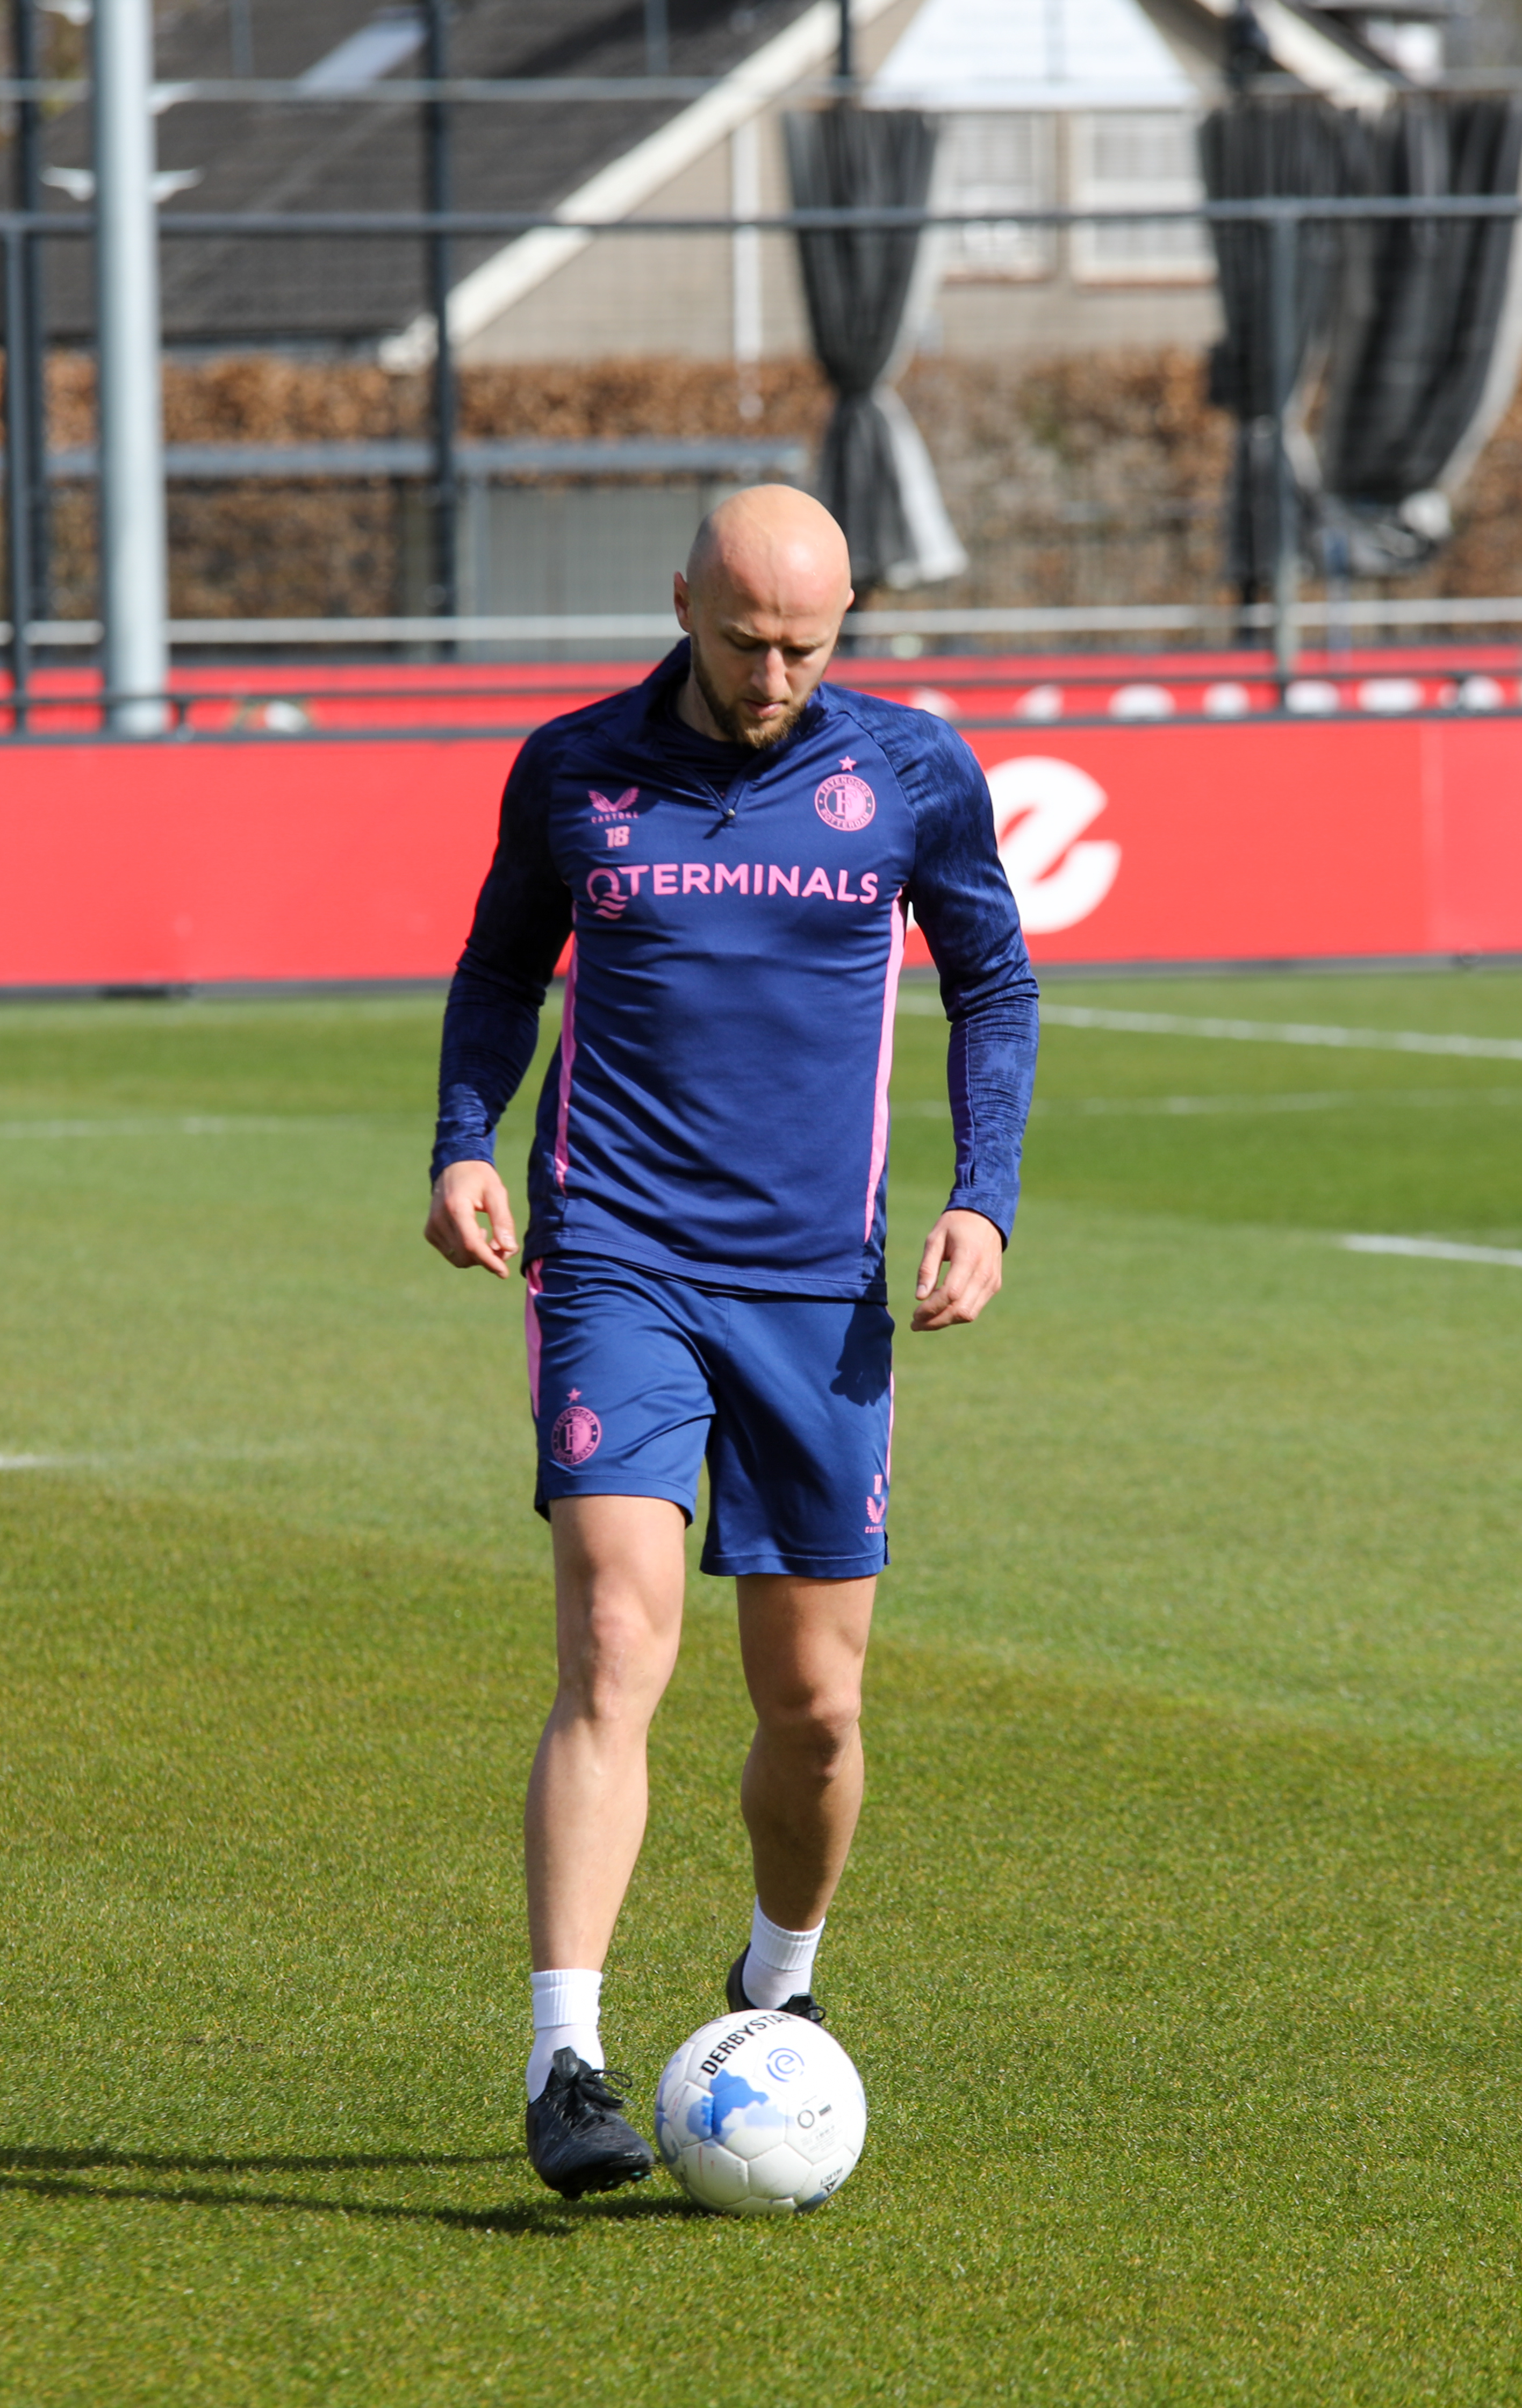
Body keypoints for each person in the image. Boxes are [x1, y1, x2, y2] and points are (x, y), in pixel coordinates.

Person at [426, 485, 1039, 2198]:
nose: (774, 675)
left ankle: (778, 1980)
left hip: (819, 1294)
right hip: (616, 1260)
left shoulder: (910, 773)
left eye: (810, 644)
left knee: (816, 1710)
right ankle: (566, 2059)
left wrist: (983, 1195)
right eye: (744, 636)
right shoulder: (574, 769)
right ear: (681, 599)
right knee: (619, 1643)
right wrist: (465, 1142)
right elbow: (498, 973)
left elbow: (996, 981)